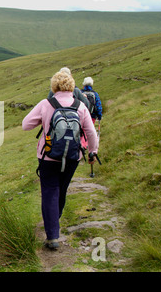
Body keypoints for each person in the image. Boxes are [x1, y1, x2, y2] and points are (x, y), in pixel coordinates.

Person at [22, 71, 98, 250]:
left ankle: (52, 236)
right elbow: (91, 133)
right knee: (61, 190)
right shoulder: (80, 106)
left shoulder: (46, 104)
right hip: (72, 157)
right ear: (72, 86)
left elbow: (26, 125)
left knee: (50, 191)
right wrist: (92, 152)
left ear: (54, 86)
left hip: (48, 156)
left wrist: (43, 120)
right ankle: (54, 219)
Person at [80, 76, 103, 149]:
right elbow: (98, 105)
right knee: (89, 130)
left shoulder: (81, 93)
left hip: (82, 114)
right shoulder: (95, 94)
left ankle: (82, 143)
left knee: (82, 129)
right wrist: (99, 116)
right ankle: (85, 144)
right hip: (92, 115)